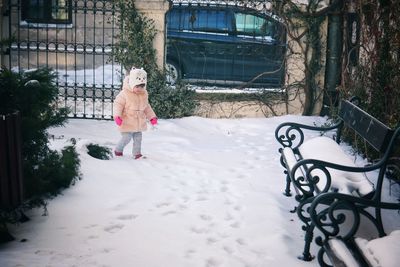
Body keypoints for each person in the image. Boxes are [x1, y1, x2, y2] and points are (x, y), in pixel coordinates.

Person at [113, 67, 157, 159]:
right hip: (127, 122)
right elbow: (118, 104)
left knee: (138, 138)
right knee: (127, 138)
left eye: (142, 87)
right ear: (132, 84)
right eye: (137, 86)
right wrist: (117, 116)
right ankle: (118, 150)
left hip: (138, 123)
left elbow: (147, 107)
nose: (139, 89)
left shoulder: (144, 94)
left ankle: (137, 153)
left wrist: (152, 117)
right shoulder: (124, 93)